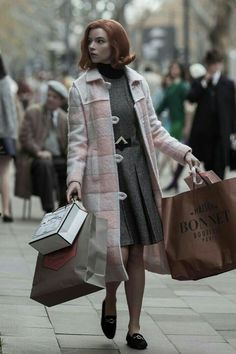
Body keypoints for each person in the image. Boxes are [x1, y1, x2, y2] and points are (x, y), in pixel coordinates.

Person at [66, 19, 200, 350]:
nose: (92, 47)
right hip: (102, 180)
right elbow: (78, 142)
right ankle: (110, 300)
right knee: (115, 252)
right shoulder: (80, 88)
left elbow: (154, 130)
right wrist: (73, 179)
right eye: (90, 42)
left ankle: (135, 326)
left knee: (136, 253)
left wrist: (185, 154)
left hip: (137, 176)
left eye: (99, 41)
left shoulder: (137, 83)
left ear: (116, 45)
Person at [16, 80, 68, 213]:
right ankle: (49, 210)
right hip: (35, 158)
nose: (50, 99)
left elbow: (69, 143)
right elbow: (25, 137)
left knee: (72, 168)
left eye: (54, 97)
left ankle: (63, 210)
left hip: (58, 158)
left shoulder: (64, 118)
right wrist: (39, 152)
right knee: (45, 165)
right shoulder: (33, 112)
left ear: (61, 101)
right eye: (49, 95)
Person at [187, 49, 236, 179]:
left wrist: (233, 132)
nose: (214, 67)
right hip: (205, 133)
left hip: (222, 132)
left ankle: (220, 195)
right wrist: (204, 83)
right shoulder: (200, 82)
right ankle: (213, 195)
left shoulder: (228, 84)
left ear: (221, 64)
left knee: (220, 167)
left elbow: (232, 108)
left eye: (216, 63)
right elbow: (191, 98)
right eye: (211, 64)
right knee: (208, 167)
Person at [0, 54, 17, 222]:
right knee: (4, 172)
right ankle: (6, 210)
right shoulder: (5, 82)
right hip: (4, 134)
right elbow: (10, 110)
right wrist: (12, 134)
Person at [156, 61, 190, 141]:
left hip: (180, 121)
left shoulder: (183, 86)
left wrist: (187, 126)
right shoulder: (171, 86)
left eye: (176, 68)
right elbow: (164, 104)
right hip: (170, 120)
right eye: (172, 68)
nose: (174, 70)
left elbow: (188, 107)